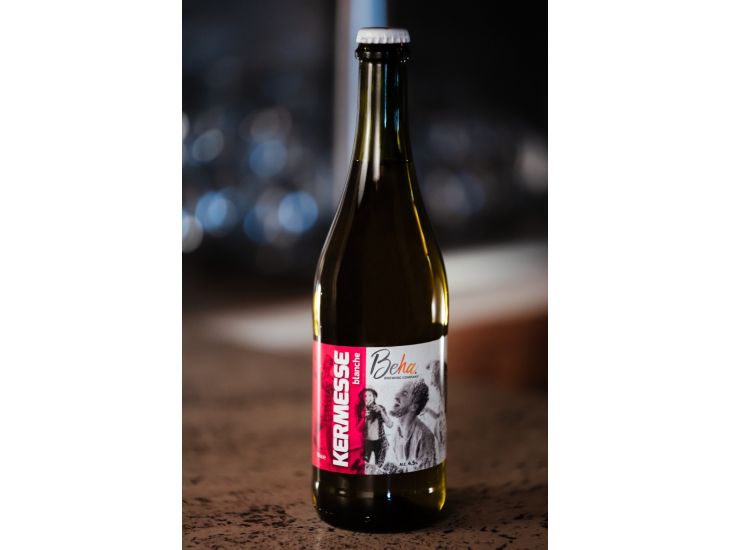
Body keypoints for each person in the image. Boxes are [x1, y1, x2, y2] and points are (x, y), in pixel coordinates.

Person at [390, 379, 436, 472]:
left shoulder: (425, 436)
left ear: (414, 406)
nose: (396, 396)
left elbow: (424, 475)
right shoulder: (397, 434)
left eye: (404, 394)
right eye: (399, 392)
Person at [358, 388, 392, 468]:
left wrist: (381, 412)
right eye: (365, 396)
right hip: (365, 443)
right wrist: (363, 418)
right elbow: (357, 429)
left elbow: (390, 424)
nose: (367, 398)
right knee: (363, 466)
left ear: (374, 397)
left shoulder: (380, 408)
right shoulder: (360, 410)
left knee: (379, 467)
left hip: (380, 443)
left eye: (370, 395)